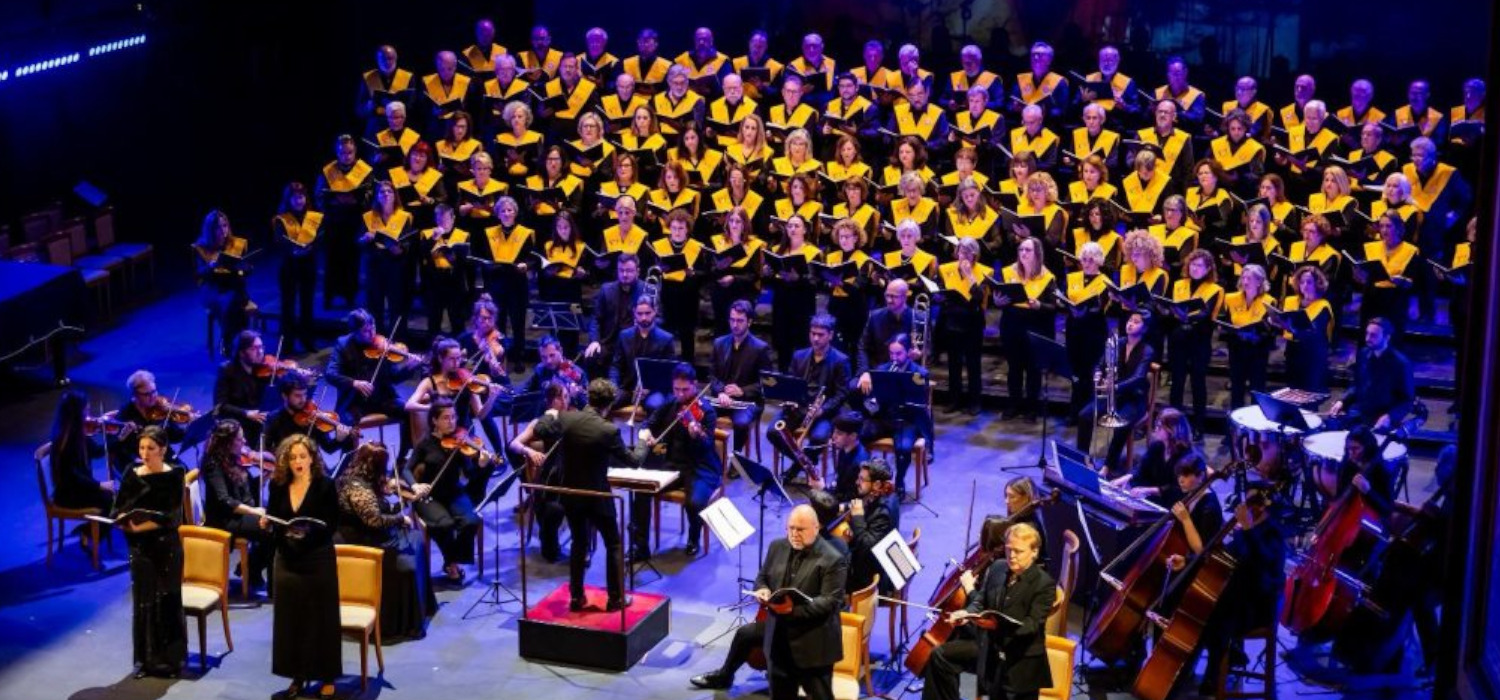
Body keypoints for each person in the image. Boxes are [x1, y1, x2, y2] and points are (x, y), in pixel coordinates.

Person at [692, 504, 847, 697]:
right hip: (778, 641)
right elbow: (763, 576)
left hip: (812, 646)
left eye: (800, 529)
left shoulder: (833, 559)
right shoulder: (777, 547)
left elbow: (830, 602)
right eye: (790, 528)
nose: (794, 534)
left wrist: (792, 611)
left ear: (816, 528)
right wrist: (763, 589)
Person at [533, 379, 646, 611]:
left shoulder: (566, 419)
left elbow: (540, 429)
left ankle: (576, 597)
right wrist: (644, 442)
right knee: (613, 543)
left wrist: (551, 412)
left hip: (571, 494)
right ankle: (615, 599)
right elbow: (633, 461)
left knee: (579, 542)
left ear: (588, 397)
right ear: (609, 404)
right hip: (597, 495)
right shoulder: (608, 430)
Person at [920, 522, 1055, 700]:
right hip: (991, 650)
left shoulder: (1043, 584)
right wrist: (967, 613)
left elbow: (1032, 625)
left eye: (1019, 551)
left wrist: (997, 626)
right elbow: (981, 600)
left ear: (1034, 552)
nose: (1012, 556)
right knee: (941, 656)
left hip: (1020, 660)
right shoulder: (998, 567)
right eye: (1008, 549)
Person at [263, 434, 342, 700]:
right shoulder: (277, 485)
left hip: (317, 558)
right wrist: (268, 525)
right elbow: (275, 518)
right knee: (291, 619)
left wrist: (306, 534)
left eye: (303, 456)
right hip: (287, 558)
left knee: (321, 618)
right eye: (293, 457)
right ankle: (297, 676)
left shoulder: (325, 485)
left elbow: (331, 524)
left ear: (312, 458)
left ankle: (327, 675)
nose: (298, 461)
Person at [336, 442, 435, 640]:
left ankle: (421, 608)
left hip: (367, 530)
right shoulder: (358, 489)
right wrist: (401, 518)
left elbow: (380, 505)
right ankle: (402, 622)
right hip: (361, 539)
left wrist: (403, 497)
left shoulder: (358, 475)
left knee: (415, 539)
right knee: (411, 549)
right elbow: (374, 520)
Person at [114, 425, 187, 679]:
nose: (145, 453)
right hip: (140, 548)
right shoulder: (131, 473)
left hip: (165, 547)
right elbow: (117, 508)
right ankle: (144, 660)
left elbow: (172, 517)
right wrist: (124, 518)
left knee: (167, 601)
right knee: (144, 602)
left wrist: (138, 527)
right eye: (142, 448)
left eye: (151, 449)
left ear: (163, 450)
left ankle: (169, 660)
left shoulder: (175, 474)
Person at [631, 363, 722, 559]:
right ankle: (641, 546)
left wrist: (695, 433)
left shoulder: (707, 411)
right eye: (676, 389)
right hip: (672, 465)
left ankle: (693, 537)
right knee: (641, 490)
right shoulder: (670, 404)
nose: (680, 394)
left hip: (699, 467)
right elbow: (649, 422)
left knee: (695, 502)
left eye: (685, 389)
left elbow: (706, 446)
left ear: (695, 385)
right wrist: (647, 435)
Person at [402, 399, 488, 583]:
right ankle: (452, 564)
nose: (452, 422)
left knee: (471, 521)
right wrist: (415, 485)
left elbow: (470, 474)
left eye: (454, 417)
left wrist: (480, 464)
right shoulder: (425, 443)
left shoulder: (460, 443)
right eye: (446, 418)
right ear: (434, 420)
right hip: (429, 495)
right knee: (444, 525)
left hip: (453, 492)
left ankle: (452, 560)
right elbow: (406, 469)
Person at [323, 308, 423, 455]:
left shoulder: (382, 345)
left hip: (382, 398)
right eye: (365, 331)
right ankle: (349, 463)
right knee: (347, 423)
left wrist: (409, 368)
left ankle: (402, 458)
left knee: (408, 411)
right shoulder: (343, 345)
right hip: (355, 402)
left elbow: (394, 377)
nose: (372, 334)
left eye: (373, 328)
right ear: (354, 331)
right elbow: (330, 373)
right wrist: (354, 383)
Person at [1076, 311, 1155, 473]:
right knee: (1084, 415)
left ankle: (1108, 466)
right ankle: (1082, 457)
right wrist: (1097, 374)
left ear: (1145, 328)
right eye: (1130, 320)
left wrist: (1115, 387)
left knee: (1122, 424)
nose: (1130, 324)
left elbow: (1139, 377)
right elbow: (1100, 364)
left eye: (1136, 322)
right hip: (1115, 395)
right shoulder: (1117, 343)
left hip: (1135, 398)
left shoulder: (1147, 350)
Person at [198, 420, 272, 592]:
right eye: (240, 439)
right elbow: (225, 501)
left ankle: (250, 568)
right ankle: (252, 570)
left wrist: (265, 477)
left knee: (275, 522)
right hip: (225, 520)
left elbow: (244, 489)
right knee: (271, 529)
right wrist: (254, 510)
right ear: (227, 442)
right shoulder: (213, 464)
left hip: (239, 514)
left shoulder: (233, 458)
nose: (245, 442)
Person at [855, 335, 931, 498]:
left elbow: (920, 403)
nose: (894, 358)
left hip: (907, 421)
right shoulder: (882, 370)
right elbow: (871, 399)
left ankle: (900, 481)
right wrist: (872, 405)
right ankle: (866, 478)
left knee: (903, 448)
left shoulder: (919, 373)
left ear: (909, 352)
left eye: (899, 354)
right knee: (860, 435)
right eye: (891, 354)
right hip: (884, 418)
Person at [509, 380, 573, 562]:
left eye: (567, 397)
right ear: (553, 401)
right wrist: (529, 451)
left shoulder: (573, 419)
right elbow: (514, 444)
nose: (567, 402)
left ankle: (580, 548)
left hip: (573, 474)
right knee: (551, 507)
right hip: (553, 476)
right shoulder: (541, 422)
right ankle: (550, 542)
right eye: (564, 398)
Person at [776, 314, 852, 466]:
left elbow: (842, 393)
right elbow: (790, 383)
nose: (815, 339)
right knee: (774, 432)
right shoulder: (799, 356)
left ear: (830, 335)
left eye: (820, 335)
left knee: (818, 437)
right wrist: (789, 398)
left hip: (824, 413)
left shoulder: (841, 360)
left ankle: (798, 468)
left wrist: (822, 410)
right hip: (799, 408)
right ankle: (804, 463)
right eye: (813, 334)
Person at [994, 237, 1056, 421]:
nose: (1023, 253)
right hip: (1012, 325)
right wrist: (997, 302)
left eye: (1028, 250)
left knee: (1033, 371)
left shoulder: (1047, 277)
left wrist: (1039, 306)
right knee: (1014, 368)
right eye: (1021, 249)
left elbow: (1053, 307)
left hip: (1035, 327)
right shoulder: (1008, 272)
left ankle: (1031, 409)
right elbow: (998, 297)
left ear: (1037, 253)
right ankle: (1014, 405)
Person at [1166, 249, 1225, 439]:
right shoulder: (1178, 284)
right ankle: (1174, 425)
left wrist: (1185, 316)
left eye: (1200, 265)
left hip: (1200, 341)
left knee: (1198, 384)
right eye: (1192, 264)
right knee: (1177, 384)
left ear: (1208, 269)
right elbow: (1172, 309)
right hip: (1179, 341)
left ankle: (1198, 425)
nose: (1195, 268)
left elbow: (1205, 314)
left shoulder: (1215, 289)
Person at [315, 134, 374, 309]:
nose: (346, 156)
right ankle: (329, 297)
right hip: (334, 221)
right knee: (332, 260)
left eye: (349, 152)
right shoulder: (329, 170)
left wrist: (356, 200)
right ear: (337, 152)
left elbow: (370, 193)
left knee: (352, 261)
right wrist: (335, 200)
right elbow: (319, 195)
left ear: (355, 151)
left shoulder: (364, 170)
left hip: (354, 221)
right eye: (342, 152)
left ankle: (350, 296)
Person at [1329, 318, 1415, 432]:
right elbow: (1356, 385)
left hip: (1382, 420)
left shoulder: (1401, 363)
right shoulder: (1363, 354)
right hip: (1360, 414)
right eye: (1367, 333)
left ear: (1387, 337)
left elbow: (1407, 400)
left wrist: (1390, 416)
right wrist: (1342, 401)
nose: (1367, 338)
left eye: (1373, 335)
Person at [710, 300, 774, 450]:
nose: (735, 324)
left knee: (741, 423)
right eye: (732, 320)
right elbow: (711, 375)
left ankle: (736, 459)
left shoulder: (761, 349)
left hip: (748, 401)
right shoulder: (719, 343)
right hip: (722, 399)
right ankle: (708, 456)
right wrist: (721, 391)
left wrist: (742, 391)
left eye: (740, 321)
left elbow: (768, 383)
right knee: (699, 413)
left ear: (749, 322)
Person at [939, 238, 993, 414]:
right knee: (953, 363)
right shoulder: (945, 269)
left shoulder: (985, 272)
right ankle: (954, 399)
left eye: (967, 252)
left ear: (974, 255)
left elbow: (979, 297)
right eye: (960, 251)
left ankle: (974, 402)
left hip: (973, 322)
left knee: (973, 363)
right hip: (952, 320)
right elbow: (939, 291)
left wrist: (969, 275)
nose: (962, 255)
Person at [192, 209, 253, 357]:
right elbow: (199, 274)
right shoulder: (201, 248)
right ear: (210, 230)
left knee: (235, 299)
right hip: (212, 287)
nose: (223, 230)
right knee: (231, 302)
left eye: (225, 226)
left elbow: (243, 271)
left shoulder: (235, 244)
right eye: (218, 227)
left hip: (232, 284)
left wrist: (245, 268)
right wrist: (210, 267)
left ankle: (237, 342)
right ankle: (233, 341)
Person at [358, 180, 415, 332]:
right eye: (382, 192)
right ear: (377, 196)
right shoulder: (369, 217)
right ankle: (376, 340)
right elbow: (359, 240)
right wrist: (365, 238)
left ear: (395, 195)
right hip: (375, 265)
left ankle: (398, 341)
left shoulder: (404, 216)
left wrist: (397, 248)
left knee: (396, 305)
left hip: (395, 266)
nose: (386, 194)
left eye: (389, 191)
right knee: (375, 306)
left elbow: (407, 244)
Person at [1110, 407, 1199, 504]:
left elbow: (1178, 490)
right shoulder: (1157, 446)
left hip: (1172, 505)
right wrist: (1126, 478)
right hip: (1151, 498)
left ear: (1171, 430)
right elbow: (1142, 467)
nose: (1155, 429)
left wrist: (1148, 490)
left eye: (1160, 426)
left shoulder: (1187, 457)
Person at [1061, 241, 1110, 415]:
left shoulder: (1105, 282)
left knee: (1089, 372)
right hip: (1074, 328)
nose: (1086, 263)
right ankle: (1074, 411)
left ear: (1098, 261)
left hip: (1093, 330)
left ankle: (1088, 413)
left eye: (1090, 259)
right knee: (1075, 371)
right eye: (1083, 259)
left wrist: (1083, 311)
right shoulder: (1072, 277)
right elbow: (1064, 298)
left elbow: (1100, 307)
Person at [48, 390, 115, 515]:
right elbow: (73, 477)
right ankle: (88, 533)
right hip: (68, 495)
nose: (88, 416)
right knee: (109, 500)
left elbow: (97, 452)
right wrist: (99, 485)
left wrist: (117, 437)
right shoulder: (65, 441)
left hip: (79, 489)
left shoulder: (77, 433)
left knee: (112, 497)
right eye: (86, 411)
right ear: (76, 414)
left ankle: (94, 531)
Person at [273, 181, 322, 352]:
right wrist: (292, 251)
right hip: (289, 266)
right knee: (288, 306)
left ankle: (308, 340)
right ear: (288, 199)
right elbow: (279, 241)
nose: (299, 200)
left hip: (308, 264)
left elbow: (320, 238)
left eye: (301, 196)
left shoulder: (313, 217)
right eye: (295, 197)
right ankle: (287, 343)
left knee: (307, 304)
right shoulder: (282, 219)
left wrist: (312, 247)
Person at [1221, 264, 1277, 410]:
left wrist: (1255, 336)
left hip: (1257, 353)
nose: (1245, 282)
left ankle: (1255, 429)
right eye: (1244, 278)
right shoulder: (1231, 298)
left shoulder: (1269, 301)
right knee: (1236, 391)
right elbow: (1226, 323)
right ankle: (1234, 430)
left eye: (1250, 278)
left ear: (1259, 281)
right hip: (1237, 350)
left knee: (1256, 391)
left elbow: (1271, 332)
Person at [1271, 266, 1335, 393]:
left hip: (1313, 355)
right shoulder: (1290, 301)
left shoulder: (1323, 306)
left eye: (1309, 282)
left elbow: (1314, 333)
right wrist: (1275, 322)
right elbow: (1285, 328)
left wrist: (1289, 327)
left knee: (1309, 395)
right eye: (1302, 282)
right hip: (1293, 352)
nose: (1305, 285)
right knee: (1292, 393)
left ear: (1318, 284)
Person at [1355, 211, 1420, 334]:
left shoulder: (1411, 251)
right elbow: (1364, 277)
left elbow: (1413, 282)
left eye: (1388, 226)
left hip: (1395, 299)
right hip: (1372, 298)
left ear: (1398, 228)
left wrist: (1401, 281)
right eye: (1381, 226)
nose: (1384, 230)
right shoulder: (1370, 248)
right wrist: (1359, 276)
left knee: (1391, 337)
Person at [612, 297, 678, 414]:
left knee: (655, 406)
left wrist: (649, 388)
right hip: (628, 388)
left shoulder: (666, 339)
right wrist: (613, 386)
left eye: (648, 313)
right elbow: (616, 365)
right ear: (634, 313)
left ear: (655, 311)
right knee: (606, 400)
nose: (643, 318)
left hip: (653, 390)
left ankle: (648, 431)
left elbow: (669, 373)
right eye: (640, 314)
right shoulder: (624, 335)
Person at [584, 253, 644, 378]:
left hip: (636, 343)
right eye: (621, 270)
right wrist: (594, 341)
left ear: (638, 271)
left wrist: (644, 323)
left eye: (629, 271)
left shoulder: (647, 290)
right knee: (592, 356)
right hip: (610, 343)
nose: (625, 274)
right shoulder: (606, 289)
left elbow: (659, 318)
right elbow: (596, 318)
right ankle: (596, 394)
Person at [847, 459, 900, 593]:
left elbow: (865, 546)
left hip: (877, 577)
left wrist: (857, 517)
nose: (856, 482)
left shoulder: (883, 512)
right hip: (884, 559)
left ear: (877, 484)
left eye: (862, 480)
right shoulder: (890, 496)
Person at [213, 330, 273, 445]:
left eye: (261, 347)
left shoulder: (265, 369)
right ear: (241, 352)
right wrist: (246, 413)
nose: (260, 352)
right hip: (239, 424)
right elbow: (220, 405)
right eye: (254, 349)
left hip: (261, 421)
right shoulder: (227, 370)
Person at [858, 279, 915, 377]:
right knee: (853, 386)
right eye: (887, 295)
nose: (889, 300)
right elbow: (863, 347)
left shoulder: (918, 317)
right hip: (878, 370)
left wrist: (920, 353)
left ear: (905, 297)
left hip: (907, 373)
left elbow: (927, 350)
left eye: (894, 297)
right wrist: (864, 372)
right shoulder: (875, 316)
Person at [807, 415, 869, 502]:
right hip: (839, 498)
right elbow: (840, 487)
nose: (833, 437)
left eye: (839, 433)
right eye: (834, 432)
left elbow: (849, 500)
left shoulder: (858, 464)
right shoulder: (844, 450)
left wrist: (823, 489)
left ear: (853, 436)